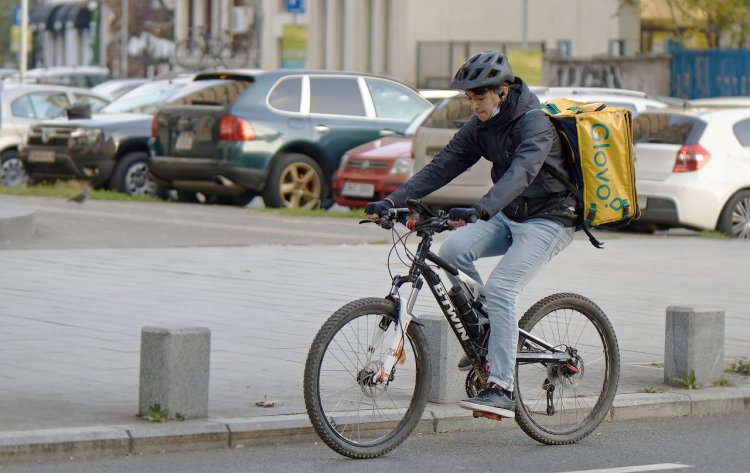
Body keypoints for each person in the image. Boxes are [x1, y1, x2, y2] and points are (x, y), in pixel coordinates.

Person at [364, 51, 577, 419]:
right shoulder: (481, 126)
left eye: (480, 97)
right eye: (470, 98)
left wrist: (481, 208)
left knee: (502, 289)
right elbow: (442, 166)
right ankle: (489, 333)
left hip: (549, 219)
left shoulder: (534, 124)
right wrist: (393, 201)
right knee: (453, 252)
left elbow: (521, 174)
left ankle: (502, 388)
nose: (474, 105)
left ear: (503, 92)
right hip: (508, 214)